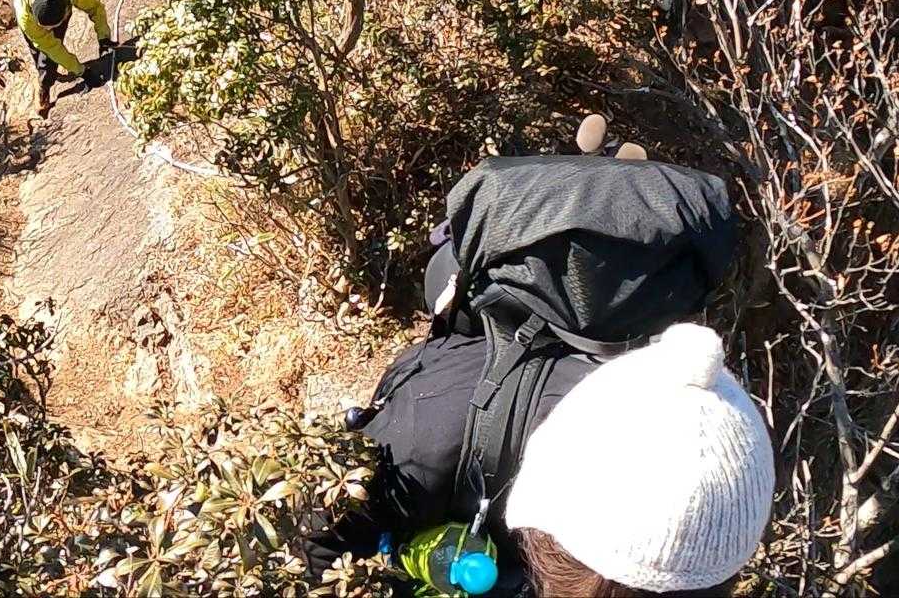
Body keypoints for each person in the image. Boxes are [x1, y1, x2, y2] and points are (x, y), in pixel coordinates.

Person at [312, 122, 776, 597]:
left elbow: (317, 551)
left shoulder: (429, 425)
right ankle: (604, 206)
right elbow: (323, 552)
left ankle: (590, 199)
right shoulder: (428, 436)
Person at [9, 0, 111, 118]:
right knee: (44, 57)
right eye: (48, 27)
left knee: (52, 49)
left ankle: (48, 75)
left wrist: (104, 38)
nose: (52, 29)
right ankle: (44, 87)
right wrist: (82, 71)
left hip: (56, 6)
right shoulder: (26, 19)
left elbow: (95, 7)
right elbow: (52, 48)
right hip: (35, 25)